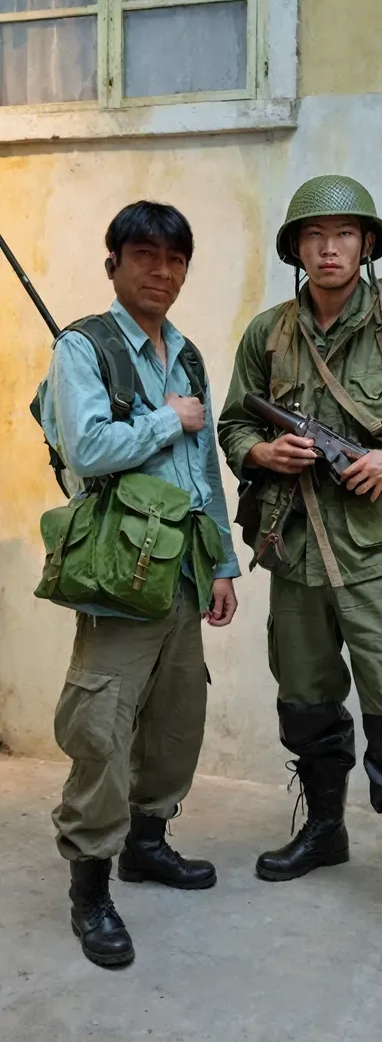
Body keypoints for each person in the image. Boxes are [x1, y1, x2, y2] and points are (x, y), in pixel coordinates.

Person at [218, 174, 382, 955]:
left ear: (366, 245)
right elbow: (230, 425)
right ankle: (325, 830)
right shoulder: (269, 333)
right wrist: (263, 450)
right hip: (292, 552)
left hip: (371, 557)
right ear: (296, 249)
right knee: (306, 704)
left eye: (345, 234)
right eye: (314, 235)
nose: (329, 248)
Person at [40, 200, 239, 968]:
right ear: (113, 262)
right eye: (146, 255)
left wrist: (222, 562)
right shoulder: (83, 346)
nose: (162, 271)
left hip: (185, 565)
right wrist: (168, 420)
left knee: (175, 715)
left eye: (176, 259)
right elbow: (87, 448)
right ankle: (89, 886)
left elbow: (205, 473)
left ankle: (146, 843)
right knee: (102, 722)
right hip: (121, 572)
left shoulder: (186, 356)